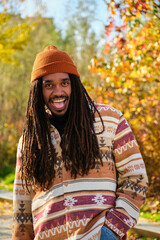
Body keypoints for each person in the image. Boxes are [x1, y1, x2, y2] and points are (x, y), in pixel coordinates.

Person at [12, 45, 148, 240]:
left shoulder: (109, 121)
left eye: (64, 83)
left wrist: (110, 233)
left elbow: (136, 179)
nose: (58, 91)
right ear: (37, 91)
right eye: (48, 85)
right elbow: (22, 210)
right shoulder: (29, 141)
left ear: (74, 84)